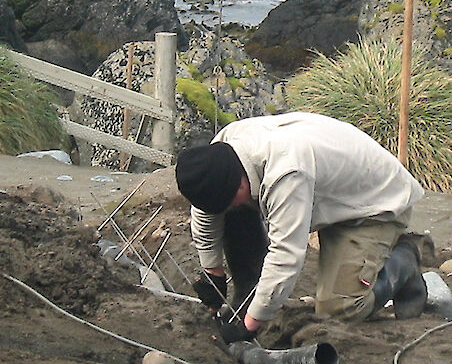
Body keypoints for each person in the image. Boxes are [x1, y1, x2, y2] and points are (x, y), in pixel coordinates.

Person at [176, 112, 427, 337]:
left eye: (229, 199)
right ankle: (250, 294)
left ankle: (404, 261)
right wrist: (213, 272)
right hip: (327, 190)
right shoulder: (222, 151)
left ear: (240, 183)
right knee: (234, 211)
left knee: (338, 310)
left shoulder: (286, 173)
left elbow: (286, 255)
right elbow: (207, 212)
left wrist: (249, 325)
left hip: (373, 206)